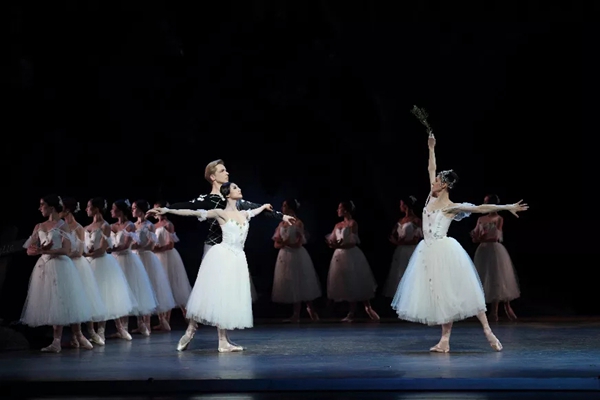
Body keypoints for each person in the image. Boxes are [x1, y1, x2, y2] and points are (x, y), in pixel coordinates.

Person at [391, 132, 528, 352]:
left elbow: (480, 209)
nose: (433, 182)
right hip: (427, 251)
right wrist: (431, 147)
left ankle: (488, 331)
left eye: (437, 181)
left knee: (462, 291)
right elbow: (431, 168)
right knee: (442, 295)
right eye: (435, 180)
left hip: (444, 250)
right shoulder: (431, 197)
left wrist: (506, 207)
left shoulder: (451, 207)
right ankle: (444, 340)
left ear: (445, 185)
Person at [147, 182, 271, 352]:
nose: (239, 189)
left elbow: (255, 211)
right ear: (227, 194)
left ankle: (223, 341)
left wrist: (264, 206)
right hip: (223, 255)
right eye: (235, 188)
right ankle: (192, 330)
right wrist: (168, 210)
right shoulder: (220, 213)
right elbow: (193, 212)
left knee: (227, 298)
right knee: (213, 294)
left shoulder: (244, 214)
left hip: (238, 259)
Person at [471, 194, 520, 321]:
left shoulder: (498, 218)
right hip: (483, 250)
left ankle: (498, 310)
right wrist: (476, 237)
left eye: (487, 203)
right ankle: (482, 310)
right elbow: (476, 234)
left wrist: (483, 237)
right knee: (484, 277)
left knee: (497, 277)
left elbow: (496, 236)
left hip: (494, 249)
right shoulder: (481, 219)